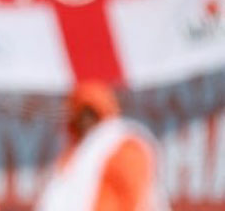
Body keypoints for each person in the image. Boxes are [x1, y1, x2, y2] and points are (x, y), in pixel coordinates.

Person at [36, 81, 168, 211]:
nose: (84, 122)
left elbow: (132, 197)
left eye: (90, 114)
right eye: (80, 116)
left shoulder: (124, 146)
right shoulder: (75, 156)